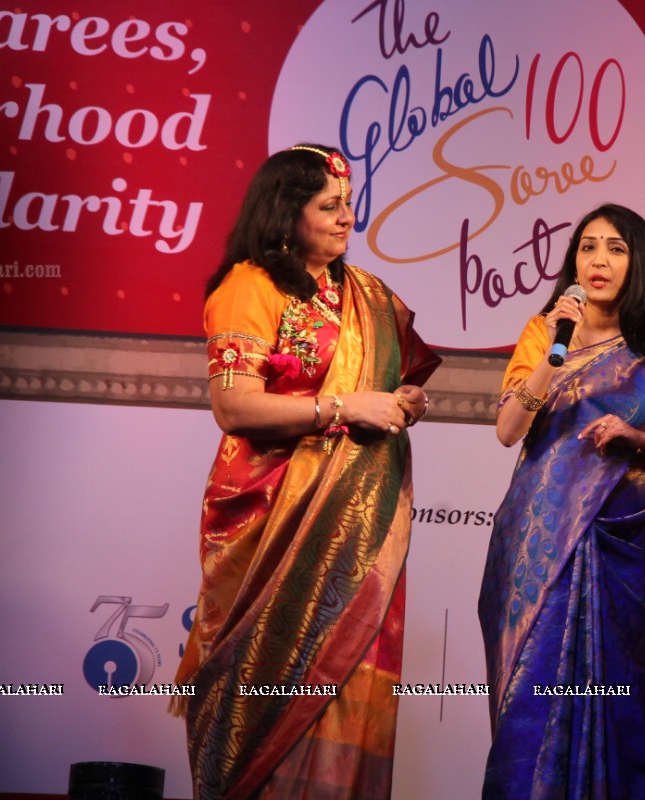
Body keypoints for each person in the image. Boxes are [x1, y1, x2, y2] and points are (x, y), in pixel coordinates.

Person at [172, 144, 441, 800]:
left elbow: (395, 383)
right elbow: (232, 404)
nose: (347, 217)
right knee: (263, 693)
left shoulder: (367, 296)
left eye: (348, 203)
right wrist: (343, 406)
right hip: (268, 523)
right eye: (329, 206)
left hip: (355, 530)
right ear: (286, 213)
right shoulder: (250, 286)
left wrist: (402, 401)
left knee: (345, 679)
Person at [478, 203, 645, 799]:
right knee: (530, 699)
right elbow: (509, 428)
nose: (598, 260)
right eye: (588, 247)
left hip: (630, 554)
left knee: (620, 703)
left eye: (616, 248)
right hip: (538, 545)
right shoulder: (545, 334)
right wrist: (554, 355)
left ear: (638, 262)